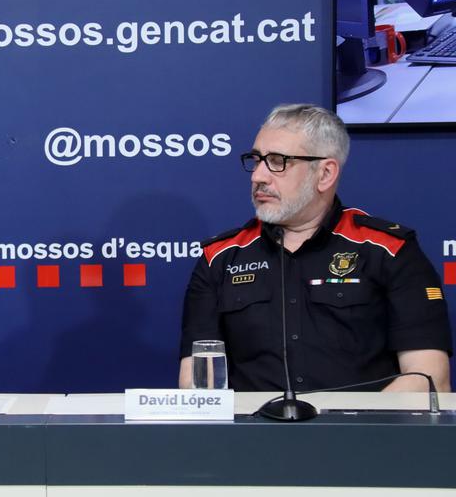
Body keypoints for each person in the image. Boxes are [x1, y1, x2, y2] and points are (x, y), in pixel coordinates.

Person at [179, 104, 452, 393]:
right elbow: (197, 385)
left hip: (363, 434)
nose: (258, 176)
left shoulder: (390, 250)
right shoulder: (219, 258)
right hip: (252, 435)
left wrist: (348, 432)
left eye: (277, 161)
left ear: (325, 174)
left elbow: (429, 378)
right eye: (256, 160)